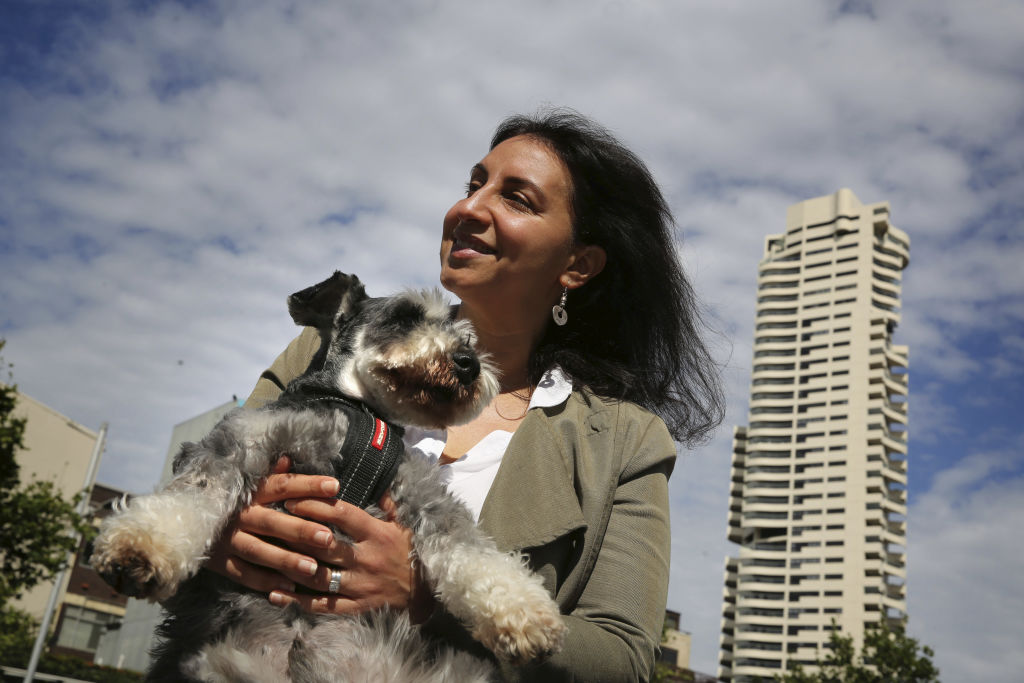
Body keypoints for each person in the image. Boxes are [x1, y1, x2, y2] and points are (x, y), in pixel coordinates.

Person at [205, 109, 724, 681]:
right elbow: (202, 484)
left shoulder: (626, 442)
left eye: (517, 199)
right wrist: (225, 533)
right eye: (474, 185)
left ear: (578, 265)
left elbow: (622, 658)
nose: (470, 209)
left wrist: (426, 597)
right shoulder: (327, 347)